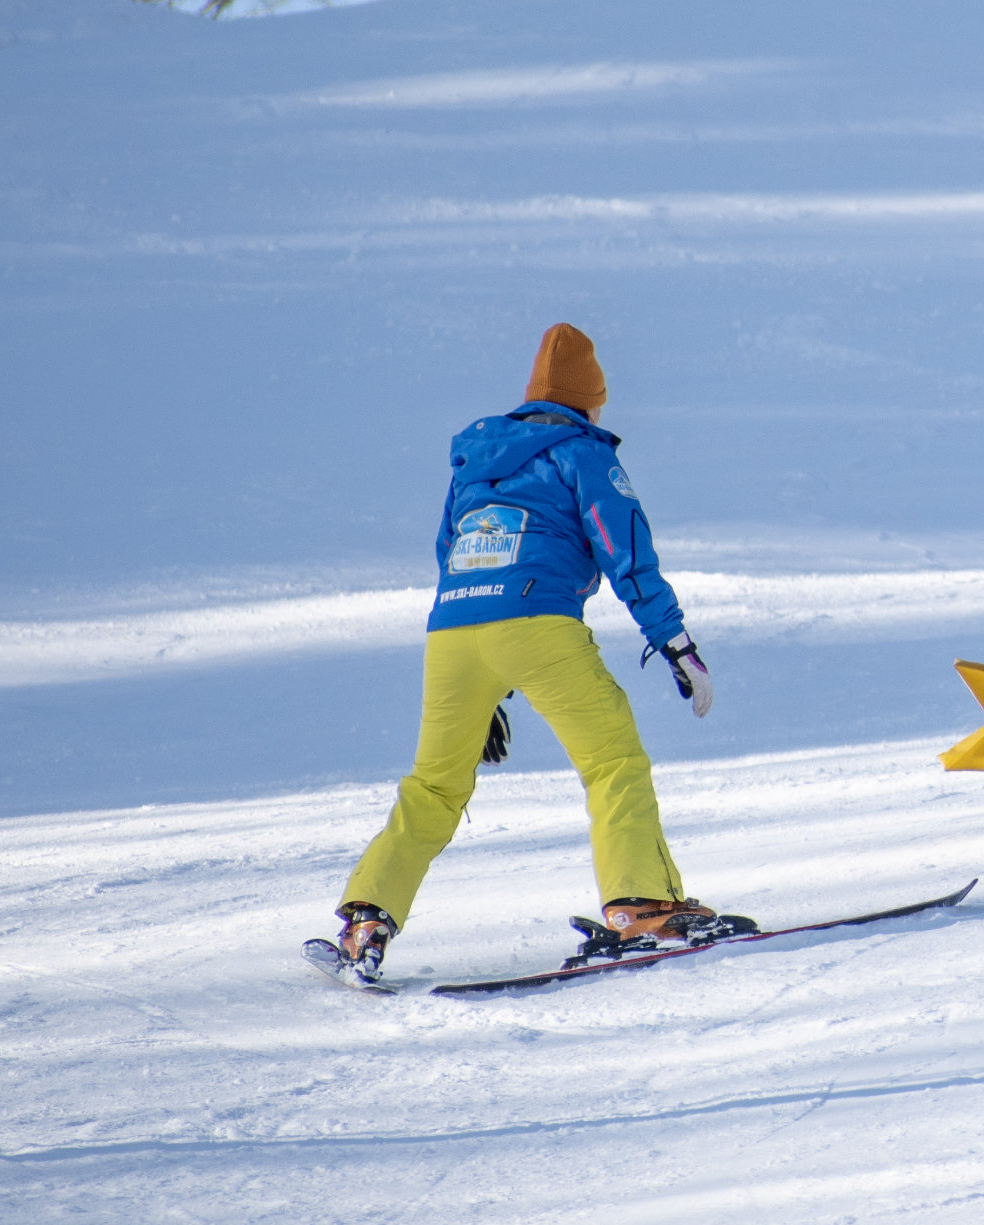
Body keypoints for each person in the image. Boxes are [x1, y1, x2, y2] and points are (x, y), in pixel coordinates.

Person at [315, 323, 748, 985]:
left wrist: (486, 687)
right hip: (536, 619)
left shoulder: (477, 460)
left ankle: (364, 922)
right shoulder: (583, 451)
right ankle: (643, 907)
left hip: (452, 632)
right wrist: (675, 642)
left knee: (434, 785)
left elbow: (450, 553)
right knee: (613, 759)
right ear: (590, 401)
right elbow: (623, 546)